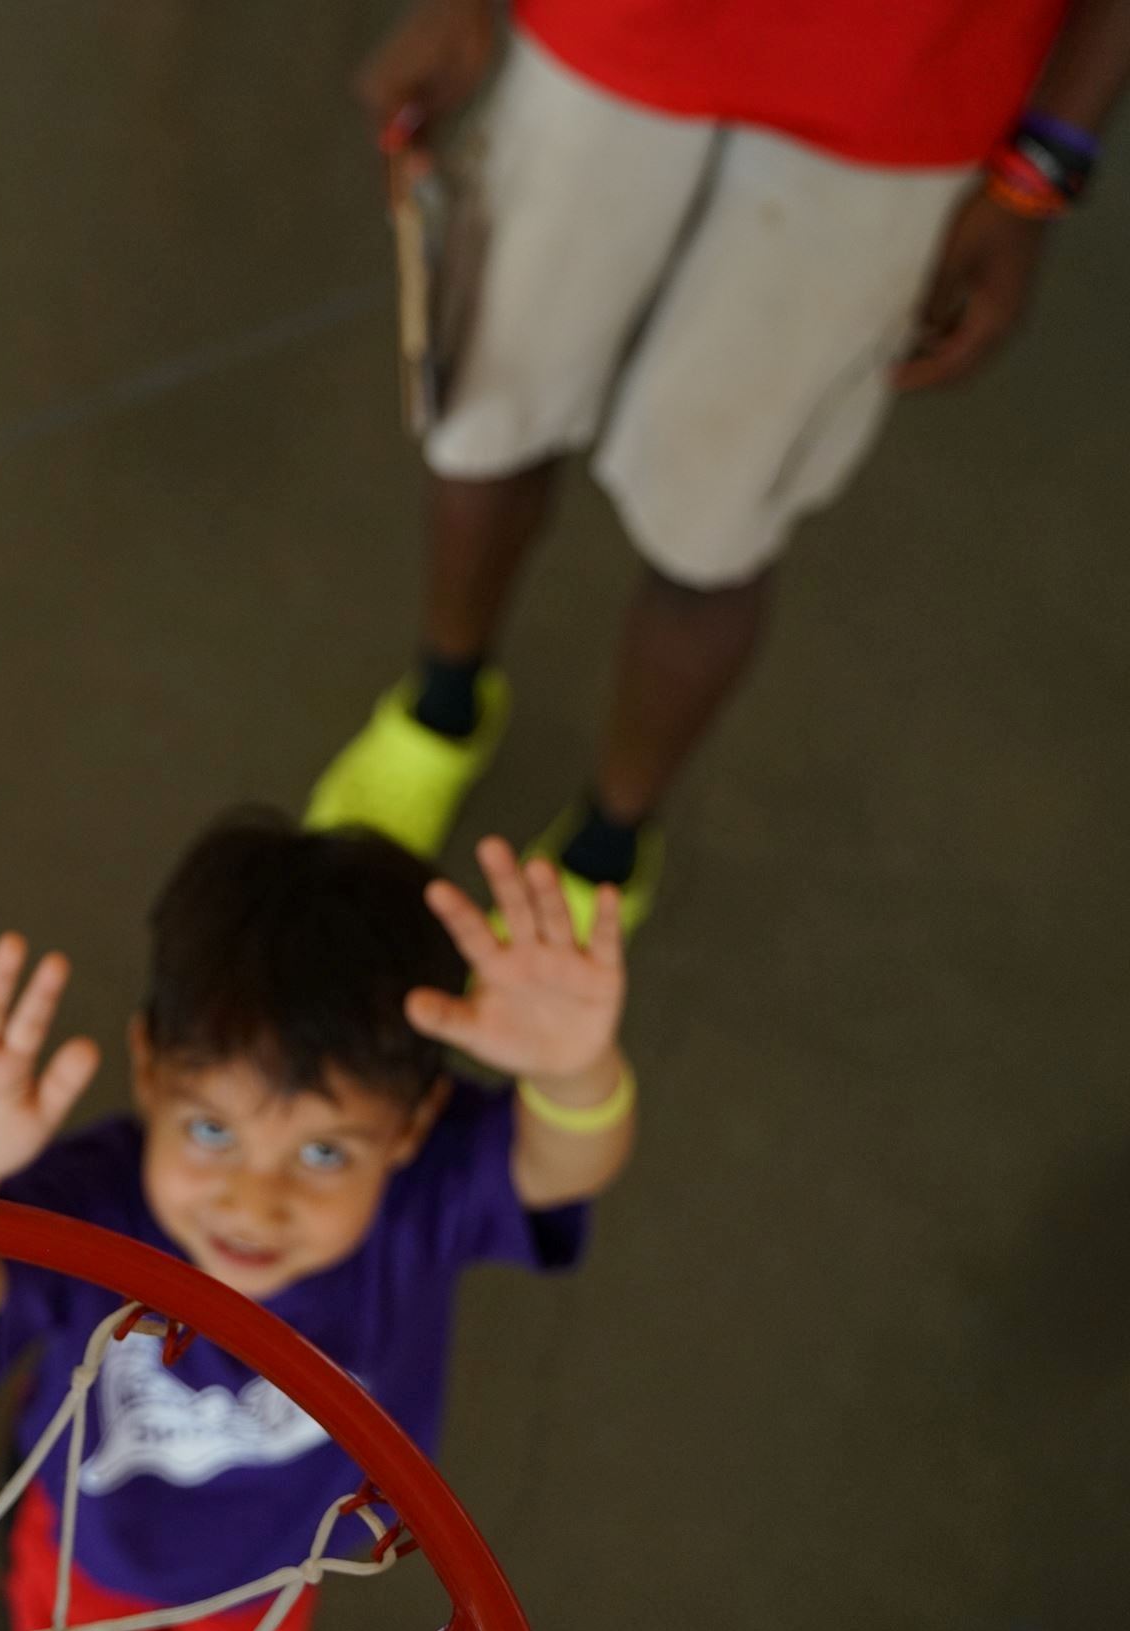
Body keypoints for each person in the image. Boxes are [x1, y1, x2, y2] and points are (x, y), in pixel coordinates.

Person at [309, 0, 1130, 932]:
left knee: (716, 521)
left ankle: (612, 838)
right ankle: (441, 705)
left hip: (900, 103)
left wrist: (1042, 165)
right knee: (488, 410)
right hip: (609, 37)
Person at [0, 811, 635, 1631]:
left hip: (272, 1575)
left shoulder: (422, 1196)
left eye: (322, 1155)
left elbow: (562, 1166)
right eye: (212, 1131)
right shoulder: (95, 1200)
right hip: (87, 1558)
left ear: (411, 1125)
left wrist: (578, 1074)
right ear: (149, 1070)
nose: (254, 1202)